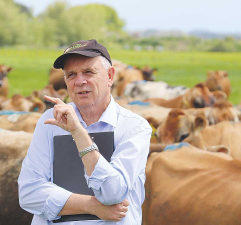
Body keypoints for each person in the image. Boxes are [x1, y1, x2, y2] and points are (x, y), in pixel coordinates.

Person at [18, 39, 152, 225]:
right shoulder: (50, 121)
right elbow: (28, 193)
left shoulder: (134, 127)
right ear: (65, 81)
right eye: (71, 75)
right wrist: (91, 206)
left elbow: (113, 192)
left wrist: (78, 132)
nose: (80, 81)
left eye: (88, 72)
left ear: (110, 76)